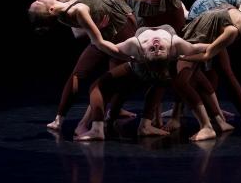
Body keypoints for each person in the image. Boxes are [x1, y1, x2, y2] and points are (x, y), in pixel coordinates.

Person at [74, 25, 222, 142]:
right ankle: (208, 124)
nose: (156, 44)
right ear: (170, 52)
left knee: (102, 85)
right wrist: (226, 36)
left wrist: (93, 32)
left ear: (143, 54)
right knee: (164, 81)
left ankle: (99, 127)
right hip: (151, 68)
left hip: (140, 66)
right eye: (159, 49)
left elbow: (104, 45)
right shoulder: (176, 44)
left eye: (153, 49)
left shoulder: (135, 45)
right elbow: (203, 47)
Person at [28, 0, 137, 133]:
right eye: (38, 2)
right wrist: (128, 56)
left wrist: (94, 26)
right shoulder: (73, 11)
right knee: (101, 79)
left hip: (112, 27)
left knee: (105, 79)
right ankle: (85, 123)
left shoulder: (62, 0)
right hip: (119, 30)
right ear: (51, 10)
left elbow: (79, 29)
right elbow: (92, 38)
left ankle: (62, 119)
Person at [176, 6, 241, 132]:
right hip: (188, 33)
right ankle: (218, 120)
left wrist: (183, 57)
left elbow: (207, 54)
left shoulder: (233, 31)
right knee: (195, 81)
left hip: (192, 44)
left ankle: (207, 126)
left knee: (182, 82)